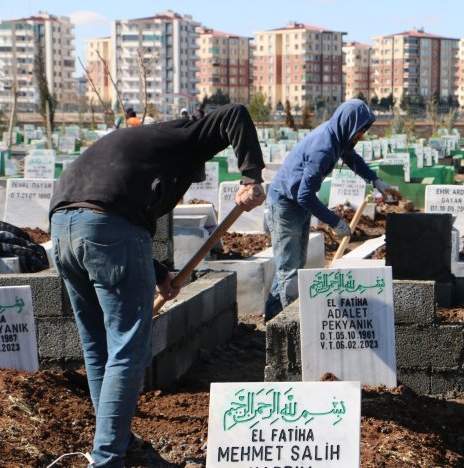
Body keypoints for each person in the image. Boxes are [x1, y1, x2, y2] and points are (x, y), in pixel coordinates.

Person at [49, 103, 266, 467]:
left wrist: (155, 271)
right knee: (126, 349)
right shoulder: (186, 135)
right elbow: (236, 114)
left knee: (98, 348)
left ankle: (116, 440)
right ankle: (106, 458)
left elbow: (100, 212)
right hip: (109, 228)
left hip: (63, 231)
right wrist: (251, 178)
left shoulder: (136, 142)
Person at [264, 98, 401, 322]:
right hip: (285, 204)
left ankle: (272, 318)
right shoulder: (324, 147)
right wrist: (334, 221)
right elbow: (304, 195)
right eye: (360, 131)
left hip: (296, 202)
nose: (361, 136)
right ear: (349, 124)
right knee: (288, 268)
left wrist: (376, 181)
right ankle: (287, 324)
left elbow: (352, 158)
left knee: (295, 263)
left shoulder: (337, 136)